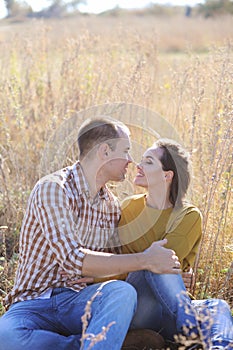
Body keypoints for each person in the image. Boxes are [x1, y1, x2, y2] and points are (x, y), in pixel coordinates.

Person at [0, 118, 181, 350]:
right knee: (5, 336)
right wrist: (145, 259)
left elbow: (118, 265)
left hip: (80, 302)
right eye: (125, 151)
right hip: (34, 304)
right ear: (105, 152)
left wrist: (167, 275)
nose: (130, 160)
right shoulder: (53, 188)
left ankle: (97, 342)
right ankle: (102, 343)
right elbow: (73, 259)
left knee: (121, 292)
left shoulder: (111, 205)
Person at [119, 138, 233, 350]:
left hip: (172, 312)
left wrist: (151, 264)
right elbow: (158, 264)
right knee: (156, 260)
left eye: (148, 162)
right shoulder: (128, 208)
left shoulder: (188, 216)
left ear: (167, 175)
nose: (139, 165)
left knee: (216, 306)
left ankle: (220, 347)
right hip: (137, 308)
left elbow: (165, 266)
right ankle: (191, 336)